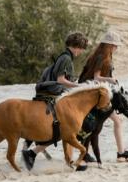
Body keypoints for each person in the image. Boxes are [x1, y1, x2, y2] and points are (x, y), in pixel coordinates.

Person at [21, 32, 89, 170]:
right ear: (76, 46)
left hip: (53, 92)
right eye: (81, 48)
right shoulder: (66, 59)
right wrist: (79, 86)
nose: (81, 51)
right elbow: (60, 80)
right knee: (65, 129)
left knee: (63, 131)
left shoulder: (64, 57)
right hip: (55, 94)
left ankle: (64, 159)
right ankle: (33, 154)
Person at [78, 31, 128, 162]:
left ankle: (120, 152)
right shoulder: (101, 57)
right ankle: (120, 153)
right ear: (109, 45)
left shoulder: (102, 55)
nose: (117, 48)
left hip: (96, 93)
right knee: (112, 122)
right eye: (115, 45)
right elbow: (96, 77)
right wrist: (111, 80)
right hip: (95, 94)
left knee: (114, 122)